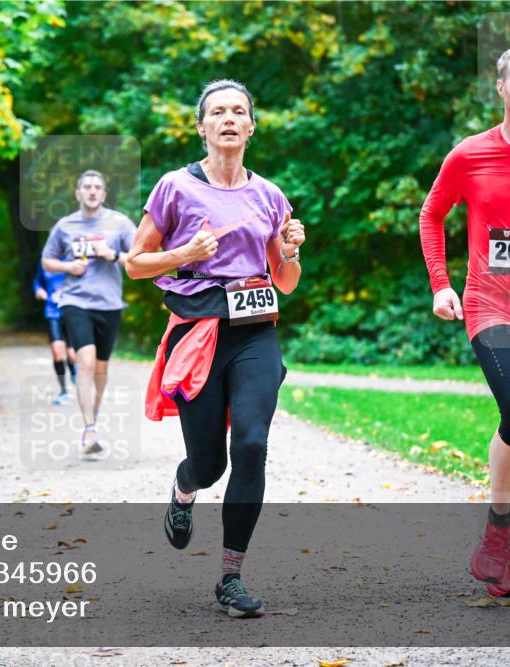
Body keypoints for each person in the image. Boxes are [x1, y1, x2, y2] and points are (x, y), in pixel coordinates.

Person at [126, 79, 305, 618]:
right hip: (198, 333)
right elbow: (135, 262)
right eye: (217, 112)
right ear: (201, 127)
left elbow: (287, 280)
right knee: (208, 465)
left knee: (251, 447)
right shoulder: (174, 188)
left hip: (255, 331)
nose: (228, 119)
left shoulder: (269, 195)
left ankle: (231, 575)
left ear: (251, 126)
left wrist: (291, 251)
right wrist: (186, 251)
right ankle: (185, 490)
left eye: (238, 111)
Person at [419, 39, 510, 599]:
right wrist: (441, 285)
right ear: (501, 88)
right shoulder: (471, 154)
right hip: (492, 304)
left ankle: (504, 556)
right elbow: (432, 214)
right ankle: (496, 537)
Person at [41, 170, 137, 455]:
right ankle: (89, 427)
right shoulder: (64, 226)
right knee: (86, 361)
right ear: (78, 193)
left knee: (100, 368)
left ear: (104, 194)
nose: (92, 191)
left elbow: (139, 258)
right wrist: (68, 267)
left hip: (109, 303)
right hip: (75, 301)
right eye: (87, 187)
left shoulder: (119, 223)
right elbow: (47, 261)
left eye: (97, 187)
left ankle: (91, 421)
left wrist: (113, 256)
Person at [32, 264, 77, 405]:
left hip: (72, 311)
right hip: (52, 311)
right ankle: (63, 391)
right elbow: (37, 281)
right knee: (57, 352)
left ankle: (75, 374)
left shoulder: (73, 257)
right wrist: (39, 290)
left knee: (72, 354)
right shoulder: (45, 261)